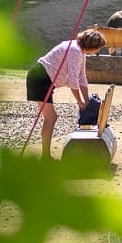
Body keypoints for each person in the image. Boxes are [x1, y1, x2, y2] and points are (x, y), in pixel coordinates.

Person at [27, 29, 105, 157]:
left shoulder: (80, 52)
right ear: (92, 46)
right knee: (51, 118)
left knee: (51, 117)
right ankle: (45, 156)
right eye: (98, 48)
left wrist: (87, 101)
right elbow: (72, 80)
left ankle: (45, 155)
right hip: (39, 78)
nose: (98, 51)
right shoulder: (75, 51)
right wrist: (80, 101)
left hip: (45, 80)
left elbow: (82, 77)